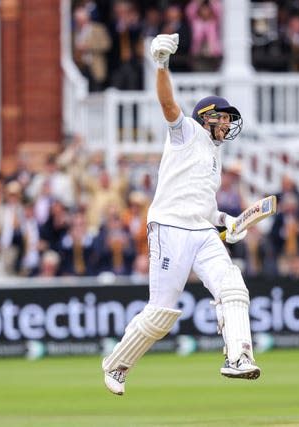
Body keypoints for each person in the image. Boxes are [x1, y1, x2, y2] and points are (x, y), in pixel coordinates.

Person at [101, 33, 260, 396]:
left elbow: (204, 205)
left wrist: (227, 222)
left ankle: (238, 358)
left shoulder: (215, 156)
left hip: (202, 230)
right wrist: (161, 64)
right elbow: (167, 103)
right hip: (169, 227)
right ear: (207, 118)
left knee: (233, 287)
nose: (227, 125)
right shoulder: (186, 131)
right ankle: (117, 364)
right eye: (223, 119)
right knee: (160, 315)